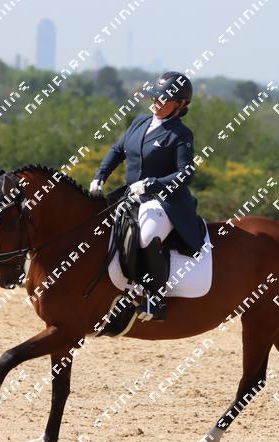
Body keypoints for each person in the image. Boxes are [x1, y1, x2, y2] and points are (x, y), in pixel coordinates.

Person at [89, 71, 204, 321]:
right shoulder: (140, 122)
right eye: (154, 97)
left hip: (165, 201)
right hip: (132, 195)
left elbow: (185, 174)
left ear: (180, 104)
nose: (156, 102)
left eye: (163, 99)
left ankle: (156, 300)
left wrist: (153, 184)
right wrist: (101, 175)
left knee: (147, 235)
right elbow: (118, 150)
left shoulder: (180, 134)